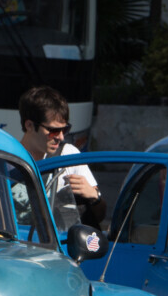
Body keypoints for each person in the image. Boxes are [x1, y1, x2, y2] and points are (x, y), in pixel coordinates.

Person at [17, 86, 104, 226]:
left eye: (65, 129)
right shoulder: (6, 160)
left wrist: (94, 196)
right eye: (54, 131)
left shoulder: (68, 155)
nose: (61, 137)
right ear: (29, 125)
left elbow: (100, 216)